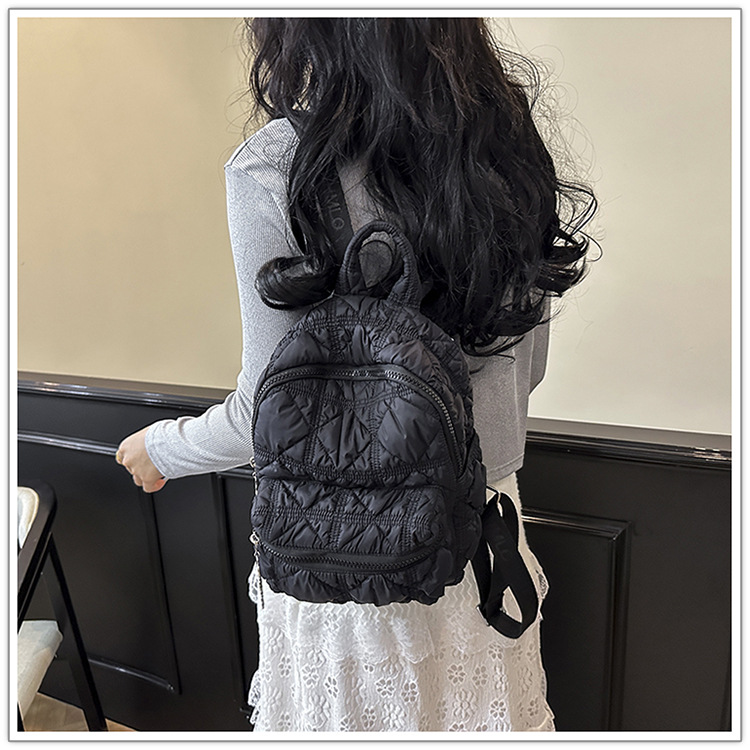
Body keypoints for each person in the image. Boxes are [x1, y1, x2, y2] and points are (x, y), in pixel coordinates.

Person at [116, 17, 595, 732]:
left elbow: (264, 416)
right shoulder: (504, 150)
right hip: (483, 547)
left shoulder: (281, 165)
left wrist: (160, 449)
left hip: (345, 550)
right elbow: (529, 372)